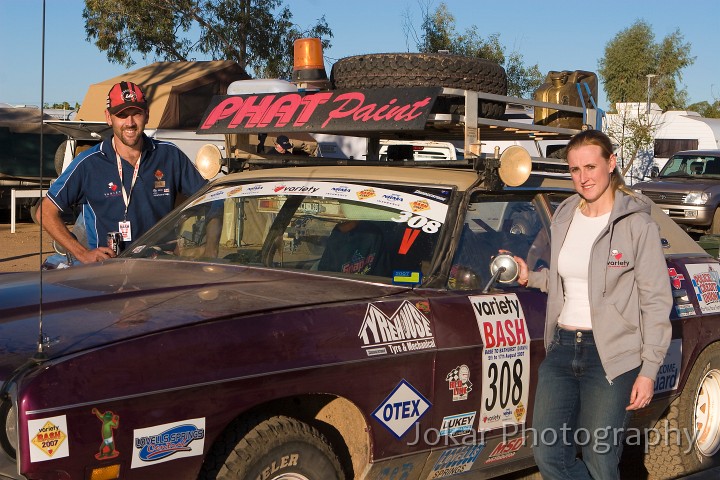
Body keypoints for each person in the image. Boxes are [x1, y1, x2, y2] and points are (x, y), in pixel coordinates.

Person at [514, 129, 672, 479]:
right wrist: (532, 277)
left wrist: (648, 371)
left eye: (591, 167)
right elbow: (566, 278)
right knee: (548, 454)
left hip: (612, 357)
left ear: (611, 163)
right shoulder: (566, 214)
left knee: (601, 460)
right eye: (574, 170)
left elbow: (656, 301)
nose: (583, 178)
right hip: (563, 348)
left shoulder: (636, 225)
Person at [41, 81, 208, 264]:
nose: (130, 123)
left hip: (158, 267)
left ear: (147, 115)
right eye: (121, 115)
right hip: (108, 271)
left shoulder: (169, 155)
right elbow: (45, 212)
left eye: (136, 113)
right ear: (108, 117)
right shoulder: (88, 163)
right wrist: (82, 254)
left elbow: (210, 201)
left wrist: (207, 250)